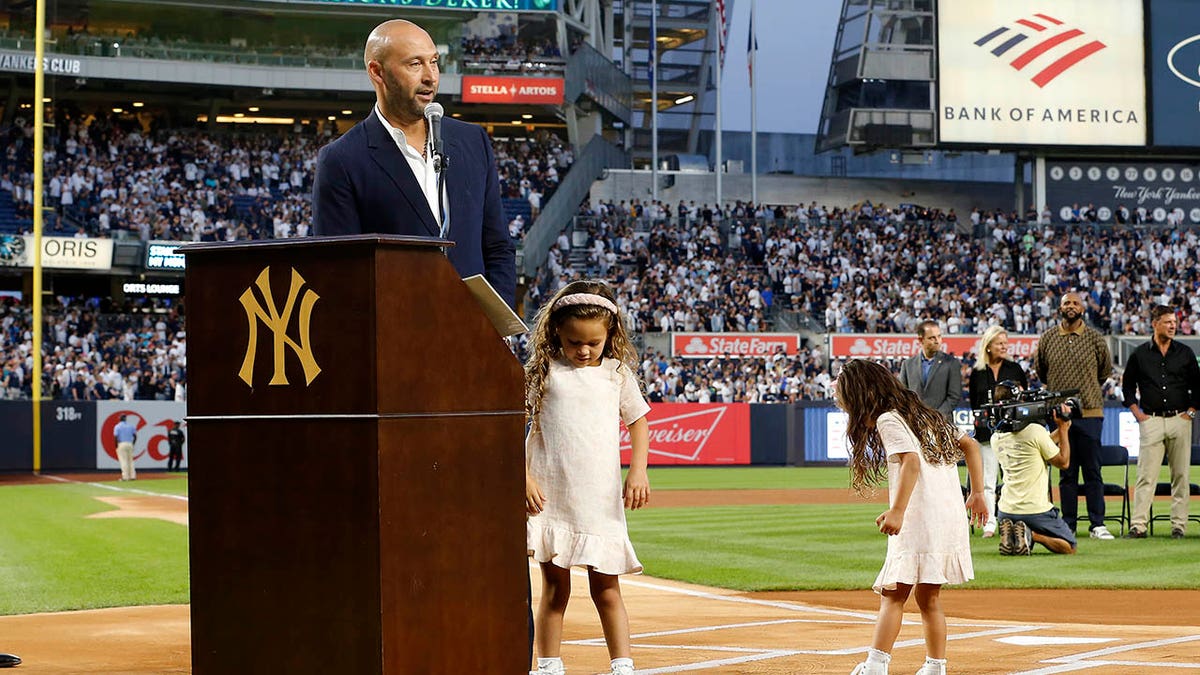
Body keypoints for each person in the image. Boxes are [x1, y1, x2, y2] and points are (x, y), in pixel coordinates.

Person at [311, 18, 516, 306]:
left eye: (434, 62)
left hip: (475, 336)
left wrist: (498, 325)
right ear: (377, 72)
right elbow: (340, 272)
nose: (431, 77)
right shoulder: (341, 159)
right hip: (396, 339)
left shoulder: (473, 141)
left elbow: (497, 247)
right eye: (415, 64)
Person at [524, 280, 651, 675]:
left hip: (599, 497)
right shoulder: (544, 373)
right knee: (555, 589)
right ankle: (548, 665)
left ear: (609, 335)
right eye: (574, 341)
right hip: (551, 495)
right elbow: (512, 425)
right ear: (557, 332)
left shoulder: (616, 375)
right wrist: (523, 475)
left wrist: (638, 470)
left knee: (607, 589)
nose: (583, 350)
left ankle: (622, 666)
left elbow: (639, 422)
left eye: (593, 343)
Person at [836, 359, 986, 675]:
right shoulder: (924, 414)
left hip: (920, 516)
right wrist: (977, 493)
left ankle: (876, 666)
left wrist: (897, 511)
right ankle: (935, 668)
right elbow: (970, 445)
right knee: (929, 596)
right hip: (948, 515)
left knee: (893, 593)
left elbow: (911, 462)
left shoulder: (888, 419)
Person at [1034, 291, 1115, 540]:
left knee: (1093, 470)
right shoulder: (1047, 338)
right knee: (1066, 471)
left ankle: (1097, 524)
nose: (1071, 306)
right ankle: (1067, 524)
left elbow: (1105, 372)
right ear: (1060, 308)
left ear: (1083, 308)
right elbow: (1042, 373)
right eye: (1066, 302)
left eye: (1075, 303)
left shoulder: (1096, 338)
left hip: (1090, 411)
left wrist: (1085, 391)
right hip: (1059, 415)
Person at [1121, 306, 1200, 539]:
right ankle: (1138, 526)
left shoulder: (1185, 353)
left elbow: (1198, 386)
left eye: (1174, 322)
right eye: (1167, 322)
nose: (1173, 326)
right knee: (1146, 476)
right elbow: (1127, 386)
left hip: (1180, 418)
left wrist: (1191, 412)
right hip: (1151, 420)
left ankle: (1179, 526)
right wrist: (1138, 414)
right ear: (1155, 324)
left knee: (1181, 476)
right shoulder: (1139, 354)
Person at [991, 382, 1078, 555]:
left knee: (1021, 541)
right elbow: (1063, 462)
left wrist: (1063, 428)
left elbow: (1039, 442)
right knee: (1070, 547)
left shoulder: (996, 436)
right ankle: (1032, 534)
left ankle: (1014, 534)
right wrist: (1063, 428)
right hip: (1035, 510)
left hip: (1005, 510)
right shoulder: (1034, 431)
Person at [967, 326, 1028, 538]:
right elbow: (974, 404)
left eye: (1005, 342)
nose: (1004, 346)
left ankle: (1015, 520)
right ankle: (990, 524)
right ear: (989, 346)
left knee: (1013, 479)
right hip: (986, 434)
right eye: (999, 343)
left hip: (1013, 432)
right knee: (988, 480)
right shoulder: (978, 372)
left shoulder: (1015, 369)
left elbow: (1024, 399)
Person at [899, 320, 962, 422]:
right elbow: (902, 395)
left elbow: (954, 397)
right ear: (921, 340)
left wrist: (934, 417)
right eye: (932, 338)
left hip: (942, 424)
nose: (937, 341)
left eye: (939, 336)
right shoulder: (907, 364)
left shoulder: (952, 363)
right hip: (915, 423)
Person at [113, 414, 137, 481]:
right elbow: (135, 436)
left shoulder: (117, 426)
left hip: (122, 443)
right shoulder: (131, 426)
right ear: (125, 419)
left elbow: (115, 437)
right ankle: (133, 476)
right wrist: (133, 443)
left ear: (119, 419)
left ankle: (125, 477)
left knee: (124, 461)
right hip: (129, 443)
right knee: (131, 461)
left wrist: (116, 445)